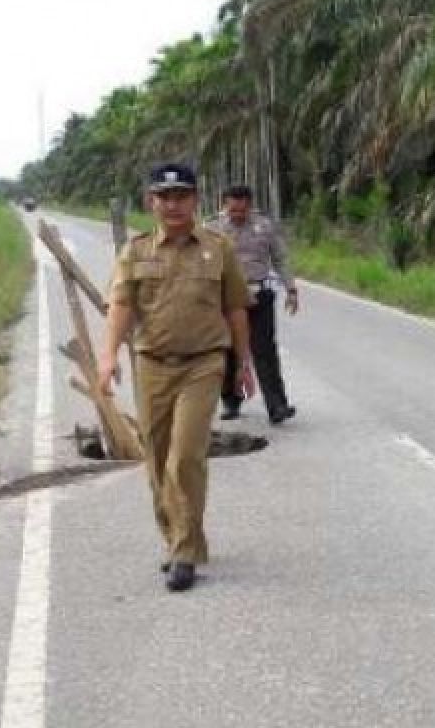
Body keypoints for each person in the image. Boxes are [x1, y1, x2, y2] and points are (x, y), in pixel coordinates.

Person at [99, 163, 255, 593]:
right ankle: (174, 539)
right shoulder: (136, 251)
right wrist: (108, 355)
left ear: (195, 201)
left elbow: (236, 309)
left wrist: (244, 363)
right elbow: (121, 307)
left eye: (181, 196)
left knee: (185, 455)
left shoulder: (217, 249)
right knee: (158, 458)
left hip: (203, 364)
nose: (173, 205)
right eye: (163, 197)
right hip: (152, 365)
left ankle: (185, 551)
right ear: (152, 202)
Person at [208, 184, 299, 425]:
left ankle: (277, 405)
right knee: (228, 349)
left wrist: (290, 288)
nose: (237, 215)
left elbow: (280, 258)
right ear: (225, 205)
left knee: (265, 350)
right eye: (233, 210)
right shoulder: (212, 229)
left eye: (242, 210)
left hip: (260, 294)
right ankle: (230, 401)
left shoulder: (265, 227)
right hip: (227, 298)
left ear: (249, 206)